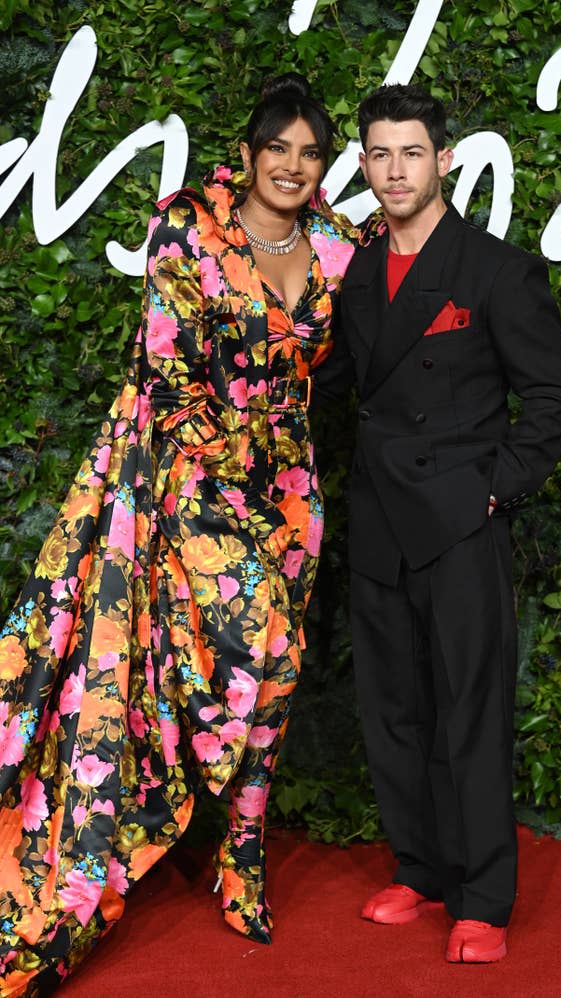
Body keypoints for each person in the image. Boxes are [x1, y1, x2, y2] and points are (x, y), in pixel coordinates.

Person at [0, 73, 355, 994]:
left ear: (323, 167)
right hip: (187, 463)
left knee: (281, 658)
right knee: (261, 636)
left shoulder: (336, 244)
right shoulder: (187, 225)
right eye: (276, 147)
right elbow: (167, 366)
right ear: (246, 155)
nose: (291, 164)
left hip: (288, 481)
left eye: (309, 152)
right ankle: (207, 838)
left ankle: (244, 853)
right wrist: (227, 477)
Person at [314, 84, 561, 963]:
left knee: (471, 711)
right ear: (363, 165)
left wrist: (491, 493)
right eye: (380, 154)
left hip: (461, 523)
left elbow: (552, 396)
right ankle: (422, 870)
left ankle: (482, 898)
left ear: (446, 159)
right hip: (381, 522)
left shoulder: (495, 269)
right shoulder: (355, 269)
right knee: (394, 708)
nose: (396, 170)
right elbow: (341, 380)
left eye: (412, 152)